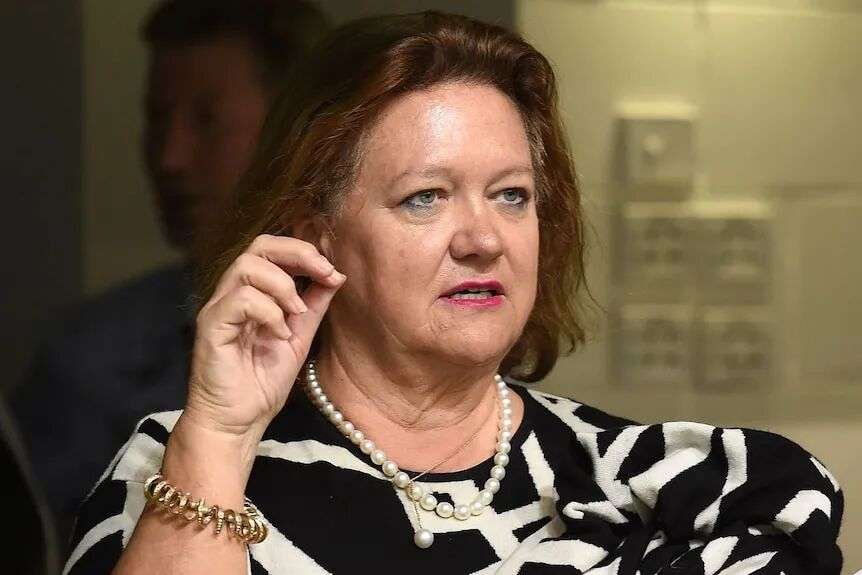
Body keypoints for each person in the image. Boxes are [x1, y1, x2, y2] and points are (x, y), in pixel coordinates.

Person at [63, 12, 843, 575]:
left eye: (510, 195)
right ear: (317, 232)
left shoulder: (657, 482)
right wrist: (224, 435)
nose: (483, 237)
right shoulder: (177, 464)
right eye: (425, 197)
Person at [10, 0, 329, 547]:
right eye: (157, 120)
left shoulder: (391, 337)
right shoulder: (89, 362)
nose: (170, 159)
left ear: (295, 136)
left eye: (207, 121)